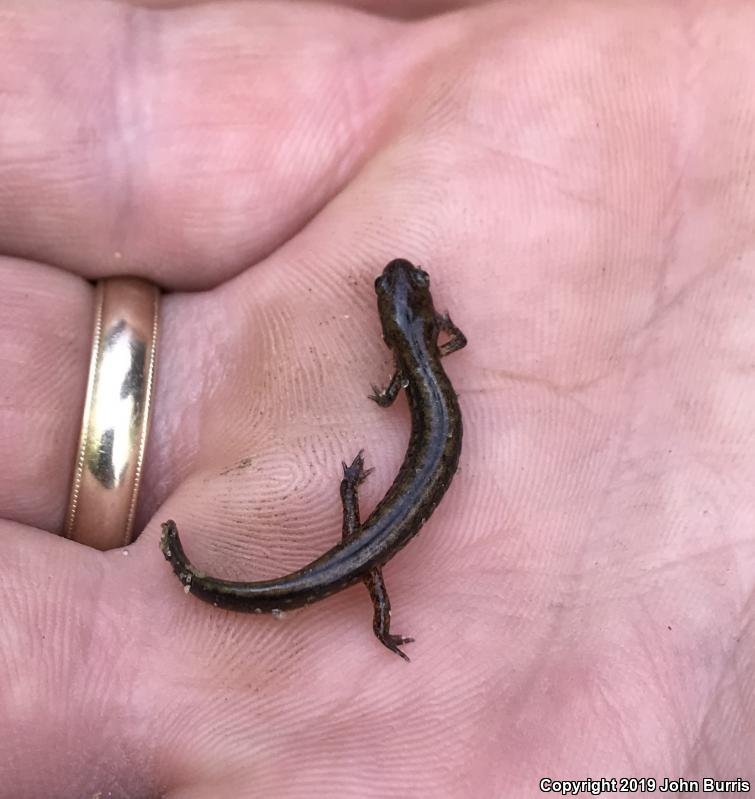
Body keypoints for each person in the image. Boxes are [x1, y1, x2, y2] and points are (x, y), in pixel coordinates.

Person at [2, 0, 754, 795]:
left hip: (378, 514)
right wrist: (399, 401)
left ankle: (224, 579)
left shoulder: (407, 365)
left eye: (406, 291)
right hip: (378, 513)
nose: (408, 290)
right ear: (410, 319)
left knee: (363, 560)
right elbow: (445, 348)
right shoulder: (424, 355)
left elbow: (408, 376)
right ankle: (215, 580)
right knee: (362, 561)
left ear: (394, 322)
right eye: (406, 293)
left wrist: (357, 482)